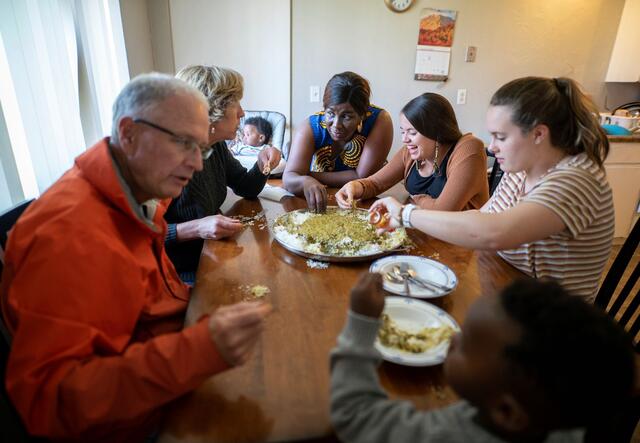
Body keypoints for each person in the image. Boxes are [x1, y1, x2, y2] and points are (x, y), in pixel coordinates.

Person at [0, 73, 271, 443]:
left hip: (163, 366)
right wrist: (197, 351)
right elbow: (51, 403)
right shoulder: (65, 235)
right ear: (128, 133)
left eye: (202, 148)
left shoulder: (139, 193)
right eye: (183, 144)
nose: (196, 164)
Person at [370, 77, 614, 301]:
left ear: (538, 134)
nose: (492, 147)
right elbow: (481, 218)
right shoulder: (521, 169)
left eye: (501, 137)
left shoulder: (577, 179)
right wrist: (406, 218)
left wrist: (405, 215)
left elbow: (494, 231)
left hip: (552, 317)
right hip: (507, 289)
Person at [331, 273, 635, 443]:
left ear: (507, 411)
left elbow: (356, 415)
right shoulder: (563, 413)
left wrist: (361, 323)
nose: (452, 338)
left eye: (465, 346)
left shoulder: (444, 436)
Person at [164, 65, 282, 284]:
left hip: (215, 254)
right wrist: (196, 227)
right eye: (235, 103)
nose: (242, 113)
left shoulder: (215, 146)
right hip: (182, 274)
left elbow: (246, 187)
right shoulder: (165, 159)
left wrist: (260, 162)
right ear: (210, 111)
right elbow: (140, 236)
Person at [335, 93, 488, 211]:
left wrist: (414, 200)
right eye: (403, 131)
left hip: (462, 246)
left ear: (436, 131)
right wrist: (355, 187)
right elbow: (375, 183)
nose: (405, 139)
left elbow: (444, 211)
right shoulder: (410, 152)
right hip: (426, 235)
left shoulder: (469, 149)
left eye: (412, 133)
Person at [283, 71, 393, 212]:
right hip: (320, 201)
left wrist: (309, 175)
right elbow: (289, 179)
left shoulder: (380, 121)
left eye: (346, 117)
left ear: (362, 115)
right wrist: (305, 182)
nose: (336, 125)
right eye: (330, 113)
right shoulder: (310, 127)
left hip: (362, 202)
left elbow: (362, 177)